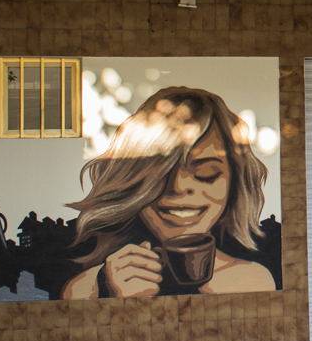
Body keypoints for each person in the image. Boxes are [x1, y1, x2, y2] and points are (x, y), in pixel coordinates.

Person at [61, 87, 276, 298]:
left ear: (235, 183)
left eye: (206, 173)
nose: (179, 187)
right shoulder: (89, 287)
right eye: (160, 174)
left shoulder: (252, 280)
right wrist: (108, 294)